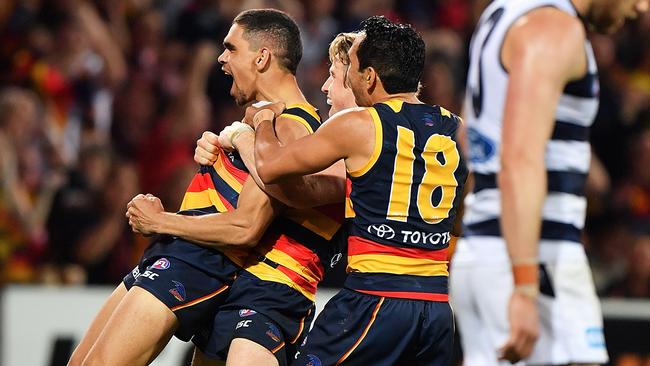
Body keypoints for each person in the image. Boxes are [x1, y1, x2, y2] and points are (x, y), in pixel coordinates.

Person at [69, 9, 345, 366]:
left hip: (200, 261)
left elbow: (246, 226)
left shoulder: (291, 124)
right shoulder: (263, 119)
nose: (221, 57)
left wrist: (161, 221)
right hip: (184, 250)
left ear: (261, 58)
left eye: (231, 48)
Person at [239, 16, 467, 365]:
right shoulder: (455, 128)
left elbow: (271, 167)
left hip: (375, 299)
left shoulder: (359, 124)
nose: (345, 76)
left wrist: (262, 121)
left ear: (370, 77)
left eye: (352, 68)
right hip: (436, 310)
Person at [450, 0, 649, 364]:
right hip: (533, 261)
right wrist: (524, 287)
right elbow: (520, 157)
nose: (641, 7)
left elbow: (472, 140)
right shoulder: (554, 28)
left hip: (485, 251)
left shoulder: (502, 12)